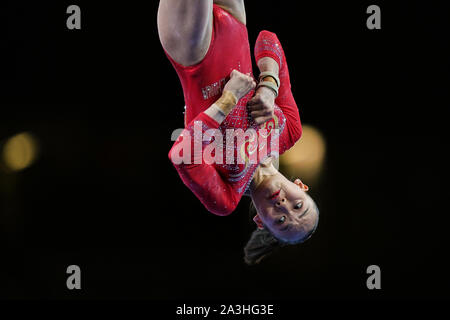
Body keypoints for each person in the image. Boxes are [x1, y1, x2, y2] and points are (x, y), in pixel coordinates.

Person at [158, 0, 319, 264]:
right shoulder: (289, 132)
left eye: (279, 221)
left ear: (260, 221)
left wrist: (229, 99)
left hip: (193, 53)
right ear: (300, 186)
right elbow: (268, 41)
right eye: (298, 205)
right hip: (236, 21)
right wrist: (269, 86)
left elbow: (182, 155)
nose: (284, 206)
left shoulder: (225, 197)